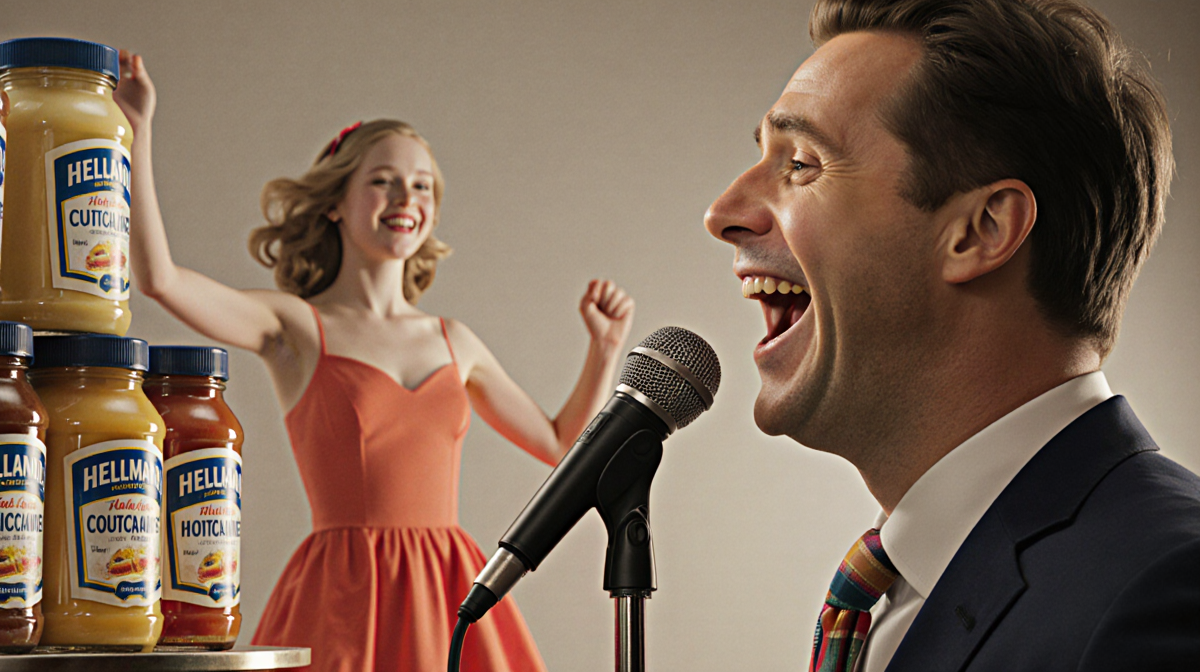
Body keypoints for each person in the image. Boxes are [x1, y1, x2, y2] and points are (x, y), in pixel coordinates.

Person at [704, 0, 1199, 670]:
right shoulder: (894, 596)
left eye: (801, 164)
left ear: (982, 230)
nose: (723, 213)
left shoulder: (1168, 588)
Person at [114, 52, 635, 672]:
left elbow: (560, 446)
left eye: (421, 185)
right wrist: (137, 132)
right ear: (336, 201)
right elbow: (159, 279)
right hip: (343, 594)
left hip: (450, 586)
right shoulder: (296, 327)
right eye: (383, 179)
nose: (405, 196)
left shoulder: (454, 339)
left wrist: (603, 349)